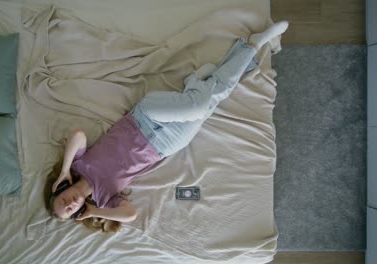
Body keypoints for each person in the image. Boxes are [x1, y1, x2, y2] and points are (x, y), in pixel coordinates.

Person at [45, 21, 289, 232]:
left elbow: (77, 135)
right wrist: (94, 212)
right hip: (164, 144)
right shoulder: (104, 200)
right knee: (217, 94)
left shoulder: (79, 164)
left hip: (143, 117)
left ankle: (197, 82)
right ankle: (251, 47)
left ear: (62, 187)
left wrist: (66, 169)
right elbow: (130, 214)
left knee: (200, 105)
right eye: (70, 210)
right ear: (76, 214)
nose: (70, 203)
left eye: (63, 199)